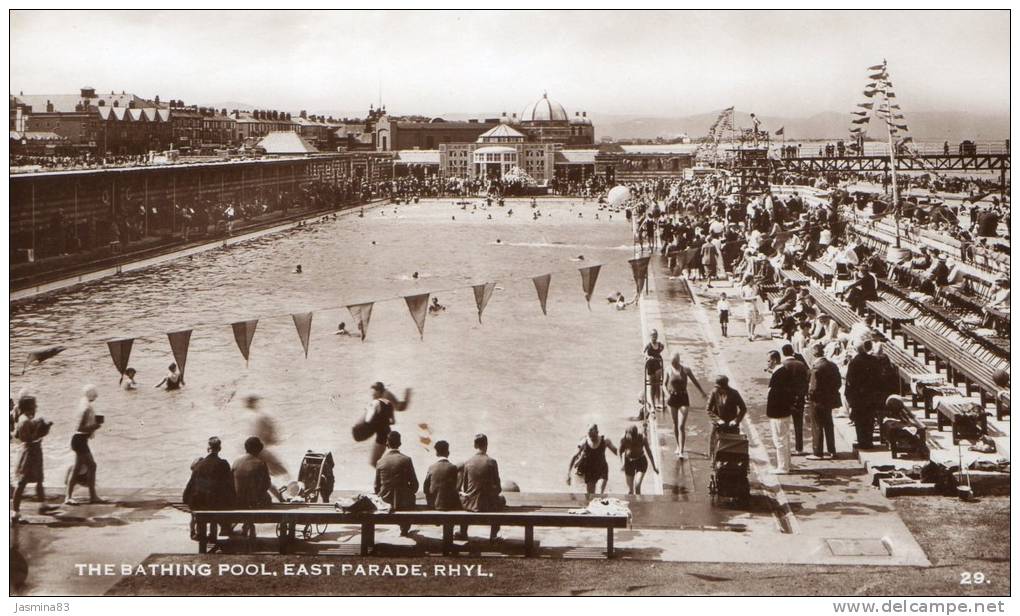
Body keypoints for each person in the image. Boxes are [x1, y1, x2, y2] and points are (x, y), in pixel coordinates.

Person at [12, 394, 57, 519]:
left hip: (34, 451)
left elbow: (17, 435)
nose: (36, 407)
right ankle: (15, 511)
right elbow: (27, 439)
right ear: (29, 407)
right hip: (29, 453)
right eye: (34, 405)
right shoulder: (24, 420)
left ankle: (43, 505)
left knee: (39, 479)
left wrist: (42, 426)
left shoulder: (25, 418)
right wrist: (41, 428)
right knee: (22, 482)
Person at [183, 436, 235, 544]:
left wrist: (186, 498)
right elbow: (229, 485)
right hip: (216, 504)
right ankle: (214, 535)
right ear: (219, 448)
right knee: (216, 501)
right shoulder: (223, 464)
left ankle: (202, 537)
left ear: (208, 449)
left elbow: (191, 484)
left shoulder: (199, 465)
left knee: (205, 503)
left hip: (199, 503)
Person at [458, 433, 505, 542]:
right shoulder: (492, 462)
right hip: (488, 505)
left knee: (464, 497)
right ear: (486, 445)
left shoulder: (467, 462)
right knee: (501, 499)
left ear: (475, 445)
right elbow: (498, 488)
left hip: (471, 505)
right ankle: (494, 535)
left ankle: (463, 532)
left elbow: (465, 487)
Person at [65, 385, 107, 505]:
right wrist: (95, 426)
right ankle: (69, 496)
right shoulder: (86, 409)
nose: (96, 396)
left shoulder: (83, 405)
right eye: (94, 394)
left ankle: (92, 495)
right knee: (81, 467)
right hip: (80, 440)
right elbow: (80, 428)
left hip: (80, 440)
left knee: (90, 466)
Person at [374, 431, 419, 536]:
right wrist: (407, 492)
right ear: (400, 444)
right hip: (404, 502)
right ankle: (404, 529)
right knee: (407, 498)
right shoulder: (407, 460)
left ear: (387, 444)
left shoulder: (380, 461)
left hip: (385, 501)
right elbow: (415, 485)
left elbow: (376, 487)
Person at [666, 353, 707, 458]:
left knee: (681, 425)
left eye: (675, 363)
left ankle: (681, 450)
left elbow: (694, 381)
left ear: (678, 361)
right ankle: (677, 445)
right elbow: (663, 385)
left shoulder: (686, 370)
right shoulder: (668, 370)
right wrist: (666, 394)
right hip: (672, 398)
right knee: (675, 424)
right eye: (672, 363)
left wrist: (702, 392)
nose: (673, 365)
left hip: (683, 398)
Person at [806, 342, 841, 460]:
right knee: (828, 424)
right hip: (829, 399)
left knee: (817, 426)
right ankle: (832, 450)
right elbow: (838, 383)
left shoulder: (816, 368)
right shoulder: (832, 365)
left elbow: (813, 387)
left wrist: (809, 397)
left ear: (814, 354)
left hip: (817, 400)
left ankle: (818, 452)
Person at [845, 341, 880, 450]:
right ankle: (868, 441)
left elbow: (850, 380)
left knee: (859, 420)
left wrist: (849, 396)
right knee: (870, 419)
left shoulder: (854, 362)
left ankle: (862, 441)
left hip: (858, 396)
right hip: (871, 394)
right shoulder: (874, 360)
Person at [567, 424, 618, 496]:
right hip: (590, 471)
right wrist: (568, 474)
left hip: (602, 469)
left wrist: (624, 461)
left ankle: (603, 501)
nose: (592, 438)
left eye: (593, 435)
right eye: (590, 435)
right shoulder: (584, 442)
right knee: (590, 495)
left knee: (600, 493)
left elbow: (616, 451)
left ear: (597, 432)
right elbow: (574, 456)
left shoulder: (605, 441)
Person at [705, 375, 748, 457]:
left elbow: (743, 409)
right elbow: (708, 409)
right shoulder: (714, 392)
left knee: (732, 448)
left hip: (731, 424)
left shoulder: (734, 393)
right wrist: (717, 420)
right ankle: (713, 460)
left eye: (720, 387)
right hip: (718, 424)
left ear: (725, 386)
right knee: (715, 446)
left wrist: (736, 421)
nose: (718, 389)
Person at [245, 394, 287, 478]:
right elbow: (270, 430)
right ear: (255, 403)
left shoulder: (249, 416)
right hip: (259, 450)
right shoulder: (260, 416)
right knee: (282, 472)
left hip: (250, 451)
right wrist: (274, 439)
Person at [766, 351, 794, 474]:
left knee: (779, 440)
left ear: (775, 360)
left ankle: (783, 467)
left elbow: (774, 393)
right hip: (784, 411)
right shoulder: (782, 372)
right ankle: (787, 464)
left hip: (778, 412)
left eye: (769, 360)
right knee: (785, 439)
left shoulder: (778, 374)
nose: (768, 363)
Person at [781, 344, 810, 455]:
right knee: (798, 424)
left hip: (786, 399)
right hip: (799, 397)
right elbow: (807, 377)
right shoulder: (801, 364)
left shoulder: (783, 365)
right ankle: (799, 448)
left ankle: (787, 448)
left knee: (785, 425)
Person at [618, 425, 659, 495]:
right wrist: (621, 463)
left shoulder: (642, 438)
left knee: (637, 485)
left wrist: (654, 467)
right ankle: (632, 504)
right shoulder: (624, 439)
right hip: (629, 462)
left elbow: (649, 452)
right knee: (630, 490)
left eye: (634, 438)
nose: (633, 440)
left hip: (641, 462)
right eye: (631, 438)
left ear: (636, 435)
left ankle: (638, 504)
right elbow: (619, 451)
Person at [423, 440, 460, 511]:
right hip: (449, 506)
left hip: (434, 506)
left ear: (436, 453)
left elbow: (425, 488)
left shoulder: (431, 467)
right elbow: (456, 487)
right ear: (448, 453)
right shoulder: (453, 468)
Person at [643, 330, 666, 413]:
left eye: (655, 335)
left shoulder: (659, 345)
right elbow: (643, 352)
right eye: (653, 336)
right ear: (650, 336)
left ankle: (658, 402)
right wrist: (648, 356)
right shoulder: (649, 345)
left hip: (657, 365)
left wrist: (658, 354)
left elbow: (662, 348)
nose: (654, 337)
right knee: (652, 385)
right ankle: (652, 405)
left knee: (658, 384)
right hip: (650, 366)